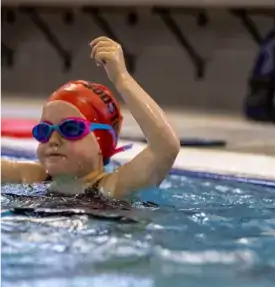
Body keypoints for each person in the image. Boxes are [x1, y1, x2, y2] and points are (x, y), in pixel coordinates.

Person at [0, 36, 180, 200]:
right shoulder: (34, 176)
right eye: (44, 131)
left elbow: (165, 147)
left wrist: (122, 78)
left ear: (102, 142)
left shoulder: (114, 187)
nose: (53, 140)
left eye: (70, 129)